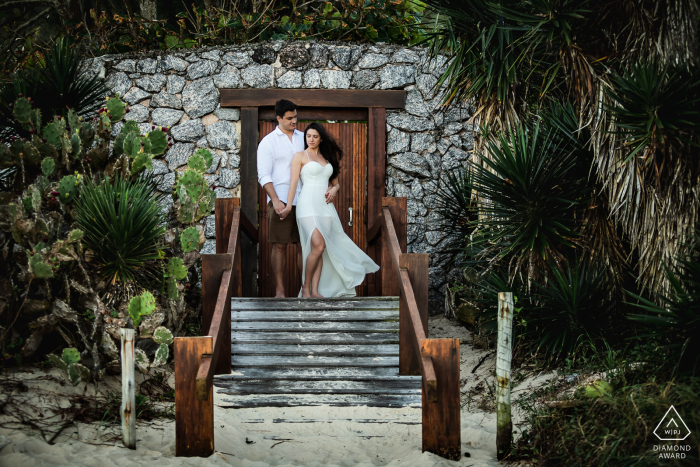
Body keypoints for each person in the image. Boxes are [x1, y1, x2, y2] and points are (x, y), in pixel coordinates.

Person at [280, 122, 379, 298]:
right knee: (318, 245)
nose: (311, 139)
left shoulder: (327, 159)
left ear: (321, 138)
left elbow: (336, 183)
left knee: (321, 248)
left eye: (315, 136)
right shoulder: (300, 156)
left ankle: (315, 290)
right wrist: (288, 206)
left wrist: (335, 189)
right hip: (307, 204)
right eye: (308, 136)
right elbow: (293, 184)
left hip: (325, 206)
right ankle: (305, 288)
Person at [257, 99, 304, 298]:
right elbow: (264, 174)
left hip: (305, 200)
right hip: (281, 199)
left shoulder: (304, 137)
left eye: (295, 117)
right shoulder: (268, 141)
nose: (294, 121)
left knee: (305, 244)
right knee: (279, 245)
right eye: (289, 118)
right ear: (279, 119)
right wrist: (275, 199)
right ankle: (280, 291)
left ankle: (306, 289)